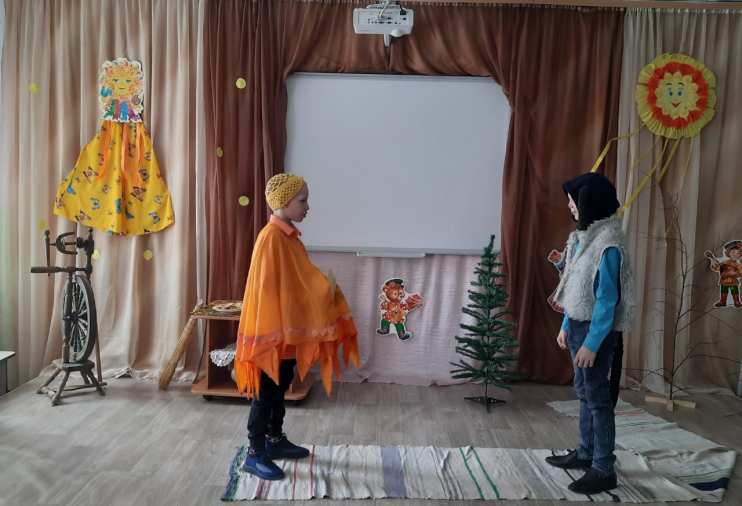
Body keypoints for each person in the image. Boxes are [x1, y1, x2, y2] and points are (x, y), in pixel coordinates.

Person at [234, 173, 360, 480]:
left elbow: (298, 281)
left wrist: (323, 289)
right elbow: (269, 289)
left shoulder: (289, 237)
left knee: (280, 386)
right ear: (284, 202)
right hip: (272, 334)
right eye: (302, 201)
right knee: (265, 392)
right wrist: (322, 288)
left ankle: (275, 439)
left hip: (287, 331)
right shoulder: (271, 239)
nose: (307, 207)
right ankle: (255, 453)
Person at [546, 173, 633, 495]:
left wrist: (593, 344)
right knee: (584, 393)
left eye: (572, 202)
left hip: (596, 332)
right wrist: (566, 326)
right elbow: (573, 288)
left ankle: (603, 468)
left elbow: (607, 301)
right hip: (578, 326)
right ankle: (585, 452)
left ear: (588, 203)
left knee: (598, 399)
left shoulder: (608, 246)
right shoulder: (581, 239)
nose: (570, 207)